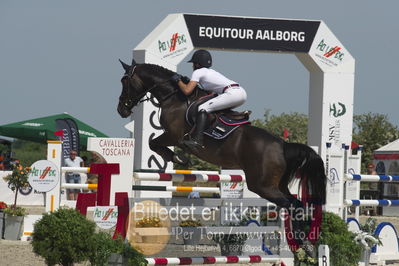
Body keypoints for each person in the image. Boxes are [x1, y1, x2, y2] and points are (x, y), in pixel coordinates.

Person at [171, 49, 247, 149]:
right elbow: (209, 94)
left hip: (232, 94)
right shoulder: (211, 72)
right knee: (214, 107)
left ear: (197, 64)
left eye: (193, 63)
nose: (192, 66)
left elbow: (187, 91)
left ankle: (197, 140)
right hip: (240, 92)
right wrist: (188, 81)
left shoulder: (198, 72)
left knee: (203, 108)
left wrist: (178, 81)